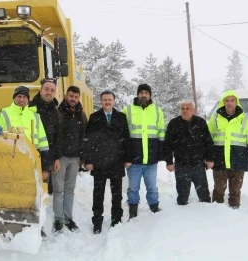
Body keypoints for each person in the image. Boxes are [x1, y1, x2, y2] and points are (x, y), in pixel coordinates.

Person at [84, 90, 132, 234]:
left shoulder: (121, 117)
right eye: (104, 100)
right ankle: (97, 219)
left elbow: (126, 139)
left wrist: (128, 158)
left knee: (117, 193)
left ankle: (116, 218)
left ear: (114, 101)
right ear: (101, 101)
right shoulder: (94, 117)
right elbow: (88, 141)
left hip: (116, 161)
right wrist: (88, 160)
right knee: (98, 193)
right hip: (99, 162)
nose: (107, 102)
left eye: (109, 99)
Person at [207, 90, 248, 209]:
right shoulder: (215, 118)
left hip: (238, 160)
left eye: (232, 100)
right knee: (219, 189)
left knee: (235, 190)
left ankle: (235, 211)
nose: (229, 103)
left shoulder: (246, 119)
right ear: (223, 102)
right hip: (219, 160)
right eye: (227, 100)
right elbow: (208, 139)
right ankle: (216, 210)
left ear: (236, 102)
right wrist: (208, 157)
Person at [122, 84, 165, 218]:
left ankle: (154, 207)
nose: (143, 95)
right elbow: (123, 135)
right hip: (133, 160)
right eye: (141, 92)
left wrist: (160, 154)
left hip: (151, 160)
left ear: (150, 95)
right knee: (133, 188)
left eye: (146, 92)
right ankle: (133, 210)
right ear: (137, 94)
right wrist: (125, 156)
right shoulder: (127, 110)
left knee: (152, 187)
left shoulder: (157, 111)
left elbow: (161, 134)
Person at [0, 86, 51, 179]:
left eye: (25, 97)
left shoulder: (35, 116)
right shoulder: (3, 114)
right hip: (11, 161)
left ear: (28, 99)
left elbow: (43, 142)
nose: (22, 100)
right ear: (14, 98)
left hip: (32, 161)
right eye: (19, 96)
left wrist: (45, 168)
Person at [165, 99, 214, 205]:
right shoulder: (173, 123)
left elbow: (208, 142)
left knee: (204, 197)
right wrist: (169, 162)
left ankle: (208, 217)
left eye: (188, 108)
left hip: (198, 165)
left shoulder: (200, 122)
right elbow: (167, 145)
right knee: (182, 199)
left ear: (194, 110)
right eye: (182, 108)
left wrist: (210, 159)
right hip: (181, 165)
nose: (185, 111)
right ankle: (182, 218)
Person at [52, 86, 87, 234]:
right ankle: (58, 219)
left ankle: (68, 218)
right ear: (66, 96)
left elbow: (84, 136)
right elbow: (53, 136)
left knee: (69, 190)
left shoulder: (81, 114)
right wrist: (55, 157)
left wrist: (82, 156)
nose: (73, 99)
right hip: (60, 158)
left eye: (76, 97)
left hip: (74, 158)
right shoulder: (58, 112)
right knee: (58, 190)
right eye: (71, 96)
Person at [29, 78, 61, 194]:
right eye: (46, 89)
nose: (49, 92)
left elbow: (56, 137)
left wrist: (56, 157)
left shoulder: (55, 111)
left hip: (47, 157)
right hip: (29, 155)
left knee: (44, 193)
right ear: (40, 90)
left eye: (52, 90)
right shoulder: (30, 108)